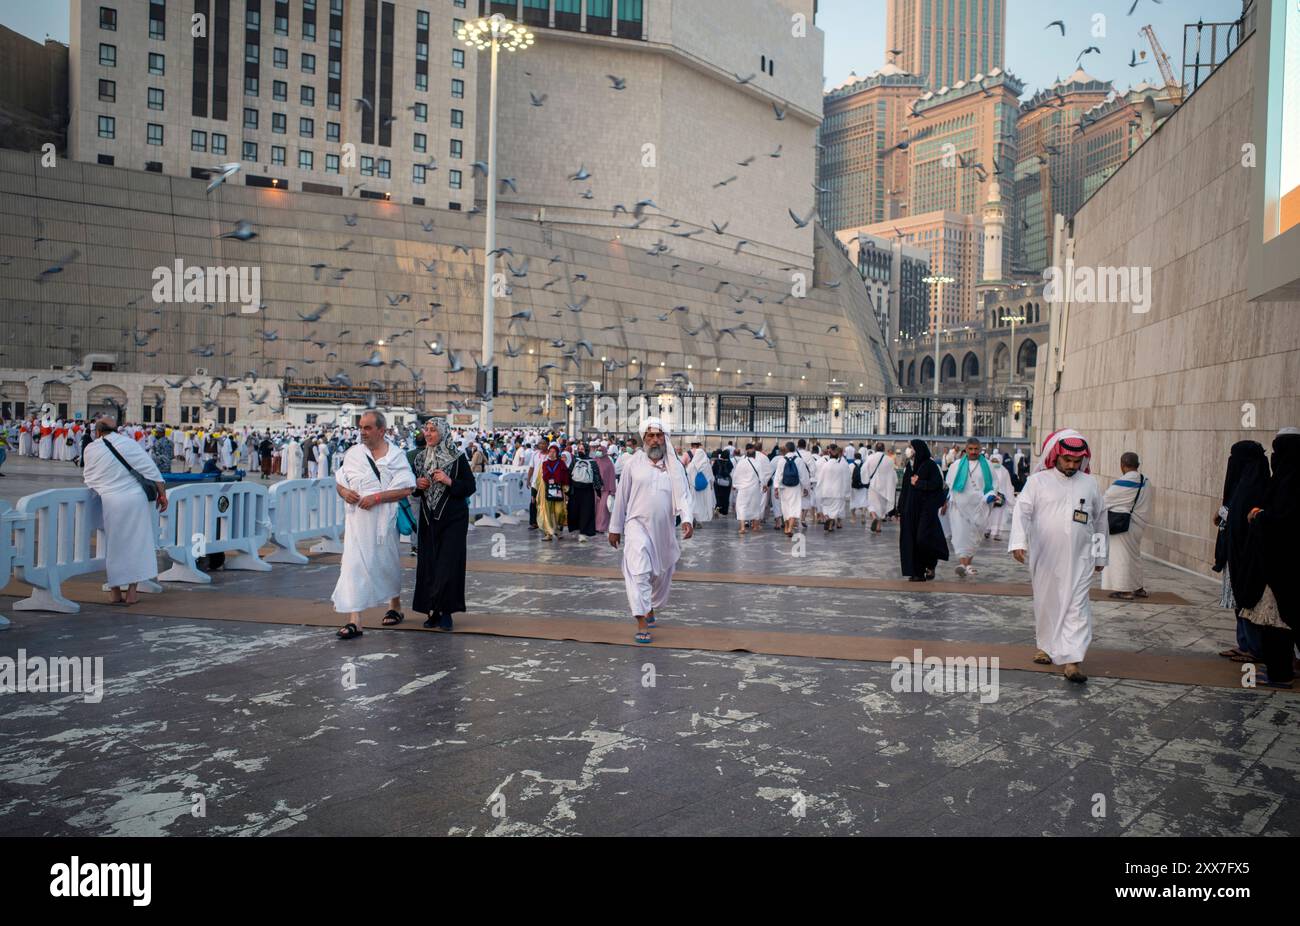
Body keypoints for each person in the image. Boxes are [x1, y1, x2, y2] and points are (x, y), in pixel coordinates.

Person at [1008, 429, 1107, 683]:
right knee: (1047, 602)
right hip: (1046, 557)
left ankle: (1073, 661)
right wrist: (1019, 542)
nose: (1072, 466)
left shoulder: (1090, 483)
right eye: (1067, 460)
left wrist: (1100, 556)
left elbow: (1100, 521)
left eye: (1077, 461)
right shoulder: (1038, 482)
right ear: (1056, 456)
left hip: (1081, 559)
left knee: (1077, 607)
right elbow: (1022, 511)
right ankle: (1047, 646)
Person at [608, 418, 694, 644]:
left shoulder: (675, 468)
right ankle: (641, 621)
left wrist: (686, 519)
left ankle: (650, 606)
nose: (655, 440)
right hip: (636, 525)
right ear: (643, 438)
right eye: (650, 435)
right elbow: (622, 498)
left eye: (659, 436)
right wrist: (615, 527)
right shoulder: (632, 465)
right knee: (639, 572)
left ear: (665, 438)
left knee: (661, 574)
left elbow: (683, 496)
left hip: (664, 530)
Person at [331, 411, 416, 639]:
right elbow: (340, 481)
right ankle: (354, 620)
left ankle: (394, 605)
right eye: (361, 427)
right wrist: (345, 492)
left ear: (382, 430)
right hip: (357, 522)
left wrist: (376, 498)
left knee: (386, 562)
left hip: (383, 522)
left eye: (368, 428)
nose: (362, 432)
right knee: (353, 565)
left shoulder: (396, 456)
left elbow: (407, 488)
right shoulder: (353, 454)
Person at [81, 417, 168, 605]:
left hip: (111, 501)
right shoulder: (128, 443)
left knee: (114, 546)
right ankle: (132, 593)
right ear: (117, 430)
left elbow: (89, 477)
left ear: (97, 432)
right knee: (137, 544)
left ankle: (114, 592)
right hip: (135, 500)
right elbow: (152, 471)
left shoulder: (91, 448)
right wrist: (162, 495)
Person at [1242, 428, 1300, 688]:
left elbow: (1285, 521)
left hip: (1282, 566)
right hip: (1284, 564)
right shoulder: (1286, 479)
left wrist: (1259, 516)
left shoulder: (1290, 482)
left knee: (1276, 624)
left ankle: (1281, 674)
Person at [411, 417, 477, 631]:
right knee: (429, 563)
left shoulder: (456, 458)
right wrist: (417, 485)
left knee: (448, 564)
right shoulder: (420, 459)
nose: (428, 434)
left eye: (433, 430)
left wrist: (449, 481)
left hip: (453, 519)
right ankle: (433, 610)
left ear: (443, 432)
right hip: (429, 517)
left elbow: (470, 486)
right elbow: (412, 488)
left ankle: (446, 611)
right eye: (426, 430)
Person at [1213, 440, 1269, 664]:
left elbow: (1241, 516)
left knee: (1248, 597)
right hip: (1233, 550)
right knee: (1238, 597)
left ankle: (1255, 648)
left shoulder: (1255, 485)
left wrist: (1224, 513)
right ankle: (1244, 643)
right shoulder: (1241, 483)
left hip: (1248, 554)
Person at [1102, 452, 1152, 600]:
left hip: (1123, 526)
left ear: (1122, 465)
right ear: (1137, 465)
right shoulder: (1146, 480)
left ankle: (1124, 590)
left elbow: (1105, 500)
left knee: (1120, 556)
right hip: (1138, 525)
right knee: (1134, 556)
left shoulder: (1124, 482)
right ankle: (1138, 588)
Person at [944, 438, 996, 577]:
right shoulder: (956, 465)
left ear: (980, 449)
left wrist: (991, 495)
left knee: (974, 535)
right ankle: (963, 563)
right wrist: (947, 499)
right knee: (960, 534)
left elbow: (993, 485)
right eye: (971, 449)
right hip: (959, 506)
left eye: (976, 449)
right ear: (966, 449)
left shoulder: (988, 466)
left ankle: (968, 563)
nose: (973, 452)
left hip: (979, 507)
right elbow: (950, 485)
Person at [899, 439, 947, 581]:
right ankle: (917, 572)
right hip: (910, 510)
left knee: (922, 538)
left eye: (910, 447)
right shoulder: (910, 466)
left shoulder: (930, 465)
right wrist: (899, 508)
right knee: (911, 540)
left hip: (925, 510)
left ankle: (931, 563)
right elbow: (905, 489)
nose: (908, 450)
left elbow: (937, 485)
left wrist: (920, 483)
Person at [775, 440, 811, 538]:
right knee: (794, 507)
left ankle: (786, 527)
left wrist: (776, 488)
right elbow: (804, 476)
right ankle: (790, 528)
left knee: (785, 507)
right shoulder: (799, 460)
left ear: (786, 449)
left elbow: (778, 476)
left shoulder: (781, 460)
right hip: (795, 487)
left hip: (783, 487)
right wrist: (806, 487)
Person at [732, 443, 769, 535]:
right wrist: (764, 485)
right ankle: (755, 526)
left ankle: (743, 527)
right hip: (754, 488)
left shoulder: (741, 462)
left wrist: (735, 485)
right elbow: (762, 476)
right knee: (755, 506)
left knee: (741, 506)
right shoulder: (757, 463)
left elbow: (735, 475)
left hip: (743, 488)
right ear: (755, 455)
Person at [534, 442, 569, 540]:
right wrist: (535, 490)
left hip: (558, 490)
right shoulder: (544, 464)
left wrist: (566, 491)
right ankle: (548, 533)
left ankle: (558, 529)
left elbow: (565, 477)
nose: (552, 453)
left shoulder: (561, 464)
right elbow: (538, 479)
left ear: (557, 453)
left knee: (559, 512)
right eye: (550, 451)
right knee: (547, 512)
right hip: (546, 490)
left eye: (554, 452)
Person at [567, 444, 600, 543]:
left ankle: (583, 533)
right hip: (575, 490)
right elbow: (569, 473)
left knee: (586, 512)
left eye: (582, 449)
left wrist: (598, 492)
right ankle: (576, 529)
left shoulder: (593, 462)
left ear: (586, 450)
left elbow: (596, 476)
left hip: (587, 490)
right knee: (574, 511)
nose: (580, 451)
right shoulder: (575, 460)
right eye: (579, 449)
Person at [862, 441, 896, 534]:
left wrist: (865, 480)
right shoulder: (889, 460)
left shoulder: (870, 458)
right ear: (884, 449)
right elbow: (893, 474)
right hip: (885, 487)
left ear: (875, 449)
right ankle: (878, 527)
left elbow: (864, 470)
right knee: (881, 507)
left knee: (871, 504)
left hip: (873, 485)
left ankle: (874, 517)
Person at [817, 444, 851, 532]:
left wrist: (819, 491)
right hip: (837, 492)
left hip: (826, 492)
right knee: (834, 510)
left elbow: (820, 479)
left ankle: (827, 518)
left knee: (826, 508)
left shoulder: (825, 466)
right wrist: (846, 492)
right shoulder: (840, 467)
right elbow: (845, 480)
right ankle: (831, 524)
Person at [984, 452, 1016, 541]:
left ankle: (996, 533)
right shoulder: (987, 470)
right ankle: (987, 530)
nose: (994, 463)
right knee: (988, 514)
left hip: (1000, 497)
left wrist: (1010, 499)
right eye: (993, 461)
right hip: (989, 496)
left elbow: (1008, 485)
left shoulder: (1004, 471)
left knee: (998, 516)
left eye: (996, 461)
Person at [686, 440, 714, 526]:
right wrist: (711, 486)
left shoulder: (691, 465)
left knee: (694, 503)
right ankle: (699, 520)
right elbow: (711, 477)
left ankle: (692, 519)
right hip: (705, 488)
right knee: (702, 504)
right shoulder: (707, 465)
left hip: (694, 488)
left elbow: (687, 475)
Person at [593, 443, 618, 533]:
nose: (599, 452)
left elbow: (612, 477)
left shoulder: (609, 463)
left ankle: (601, 527)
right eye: (598, 450)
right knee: (595, 508)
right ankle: (594, 526)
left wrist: (612, 490)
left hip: (605, 489)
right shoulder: (594, 460)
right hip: (595, 489)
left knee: (603, 510)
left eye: (600, 450)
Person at [712, 448, 734, 517]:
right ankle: (724, 511)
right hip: (727, 483)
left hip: (718, 482)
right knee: (726, 496)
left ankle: (718, 508)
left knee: (718, 496)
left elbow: (713, 471)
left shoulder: (717, 462)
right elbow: (731, 472)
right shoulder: (730, 463)